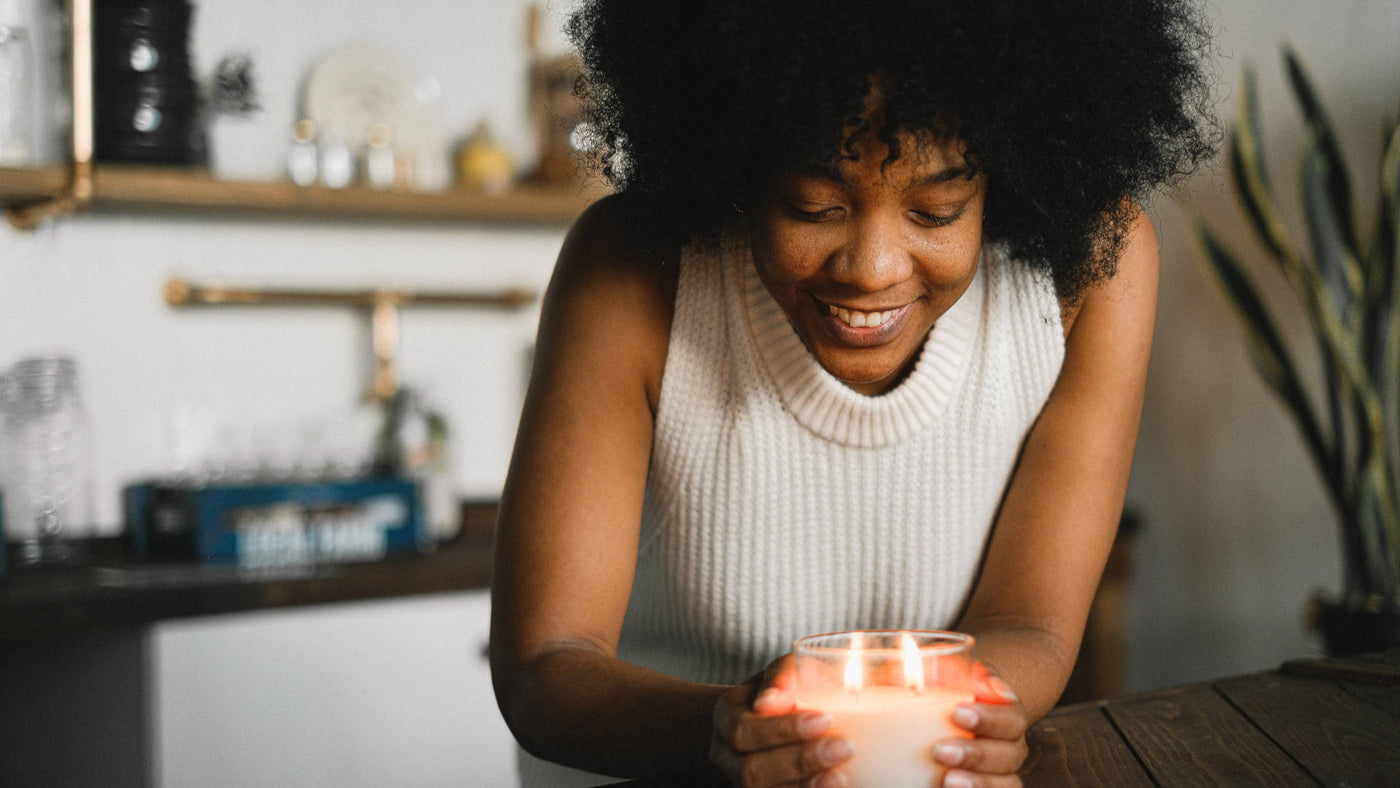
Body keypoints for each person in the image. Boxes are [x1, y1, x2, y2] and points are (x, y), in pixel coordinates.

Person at [490, 1, 1216, 786]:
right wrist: (725, 732)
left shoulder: (1089, 275)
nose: (872, 268)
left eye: (936, 211)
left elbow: (1028, 625)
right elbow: (544, 667)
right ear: (739, 171)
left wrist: (960, 724)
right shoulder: (631, 269)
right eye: (813, 206)